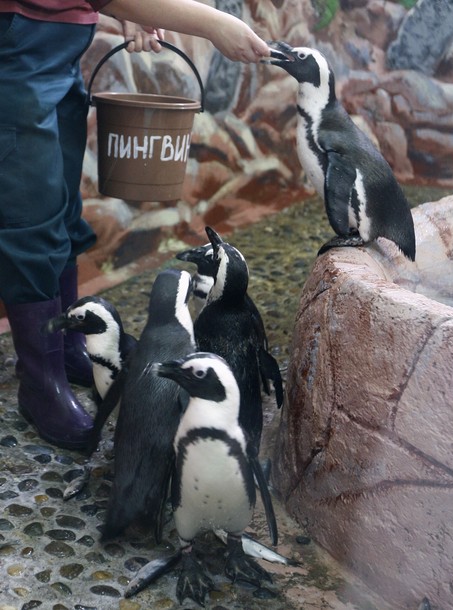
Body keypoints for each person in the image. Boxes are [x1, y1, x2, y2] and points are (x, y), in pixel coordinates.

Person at [0, 0, 270, 451]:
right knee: (33, 217)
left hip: (59, 45)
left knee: (63, 211)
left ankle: (63, 350)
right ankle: (40, 383)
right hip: (17, 48)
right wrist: (214, 23)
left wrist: (123, 11)